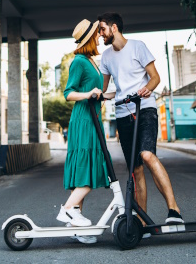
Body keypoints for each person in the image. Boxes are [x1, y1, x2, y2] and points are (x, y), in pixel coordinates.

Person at [98, 12, 184, 229]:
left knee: (146, 154)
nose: (100, 34)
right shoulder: (106, 57)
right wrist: (95, 96)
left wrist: (147, 89)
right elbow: (106, 89)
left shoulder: (138, 46)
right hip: (122, 114)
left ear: (114, 28)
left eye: (102, 29)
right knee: (135, 170)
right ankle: (142, 222)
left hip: (144, 109)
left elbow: (155, 77)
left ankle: (174, 210)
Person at [56, 19, 109, 244]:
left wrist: (108, 95)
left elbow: (95, 90)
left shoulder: (91, 61)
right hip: (84, 120)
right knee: (88, 171)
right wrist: (89, 95)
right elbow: (68, 93)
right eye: (96, 34)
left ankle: (75, 227)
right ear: (88, 39)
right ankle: (68, 209)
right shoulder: (78, 61)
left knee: (82, 173)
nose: (99, 37)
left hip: (93, 118)